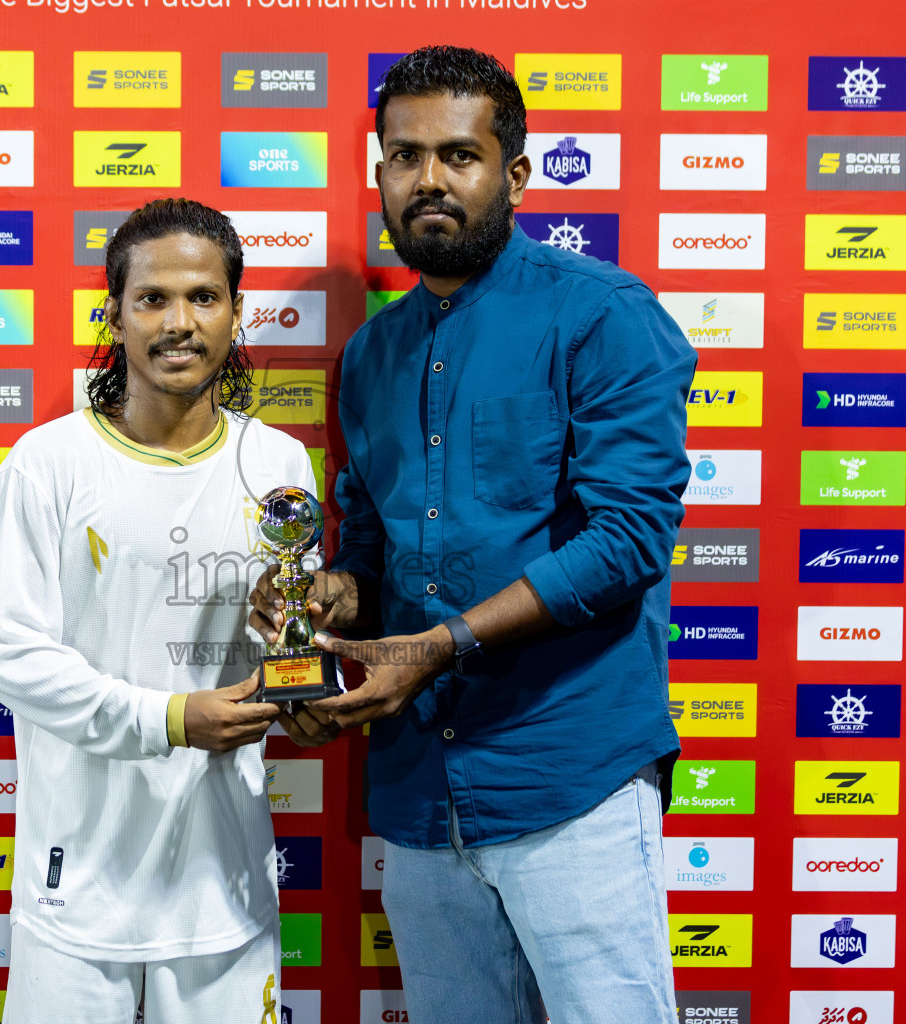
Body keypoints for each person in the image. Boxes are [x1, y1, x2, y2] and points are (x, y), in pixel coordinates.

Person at [250, 45, 695, 1024]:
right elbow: (364, 537)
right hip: (418, 792)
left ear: (516, 174)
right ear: (379, 172)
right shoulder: (369, 355)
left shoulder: (604, 316)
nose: (430, 181)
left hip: (565, 773)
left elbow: (627, 540)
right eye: (404, 157)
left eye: (460, 155)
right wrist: (335, 597)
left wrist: (439, 645)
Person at [0, 198, 317, 1024]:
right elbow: (10, 657)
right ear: (115, 315)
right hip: (78, 891)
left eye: (203, 298)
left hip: (221, 885)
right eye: (153, 299)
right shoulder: (47, 463)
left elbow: (289, 647)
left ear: (236, 313)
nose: (179, 322)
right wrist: (171, 718)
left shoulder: (276, 462)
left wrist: (305, 690)